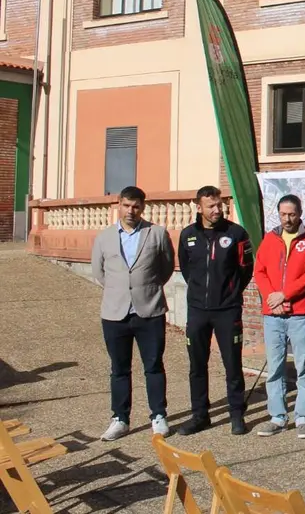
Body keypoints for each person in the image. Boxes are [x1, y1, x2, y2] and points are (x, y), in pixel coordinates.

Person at [92, 186, 176, 441]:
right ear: (119, 205)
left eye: (136, 206)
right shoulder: (105, 237)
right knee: (119, 368)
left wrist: (144, 290)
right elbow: (100, 272)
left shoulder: (157, 234)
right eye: (126, 205)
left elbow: (166, 268)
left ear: (143, 207)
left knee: (153, 365)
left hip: (149, 311)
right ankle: (120, 418)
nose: (131, 211)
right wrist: (121, 291)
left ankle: (158, 415)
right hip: (115, 313)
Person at [177, 186, 254, 436]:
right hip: (198, 310)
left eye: (219, 205)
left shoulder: (236, 233)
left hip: (227, 310)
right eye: (211, 206)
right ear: (198, 207)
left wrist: (231, 292)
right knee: (197, 365)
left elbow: (245, 270)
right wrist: (200, 293)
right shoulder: (188, 235)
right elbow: (188, 270)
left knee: (232, 363)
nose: (217, 210)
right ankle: (200, 415)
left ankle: (236, 414)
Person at [253, 194, 305, 439]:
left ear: (300, 213)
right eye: (283, 214)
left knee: (304, 366)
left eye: (291, 214)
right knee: (275, 367)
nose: (287, 219)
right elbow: (259, 270)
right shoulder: (269, 239)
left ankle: (303, 418)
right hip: (273, 314)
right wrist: (272, 297)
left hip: (300, 312)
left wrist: (285, 295)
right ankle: (277, 417)